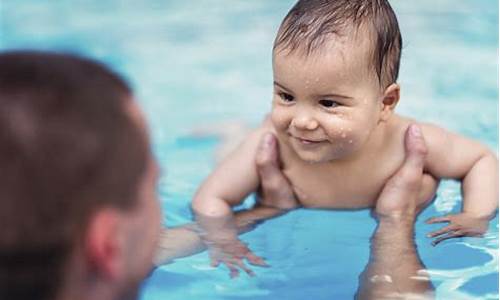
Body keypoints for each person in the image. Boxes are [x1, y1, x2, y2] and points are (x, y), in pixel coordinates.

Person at [191, 0, 498, 276]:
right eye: (286, 95)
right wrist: (222, 239)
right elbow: (210, 198)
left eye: (328, 103)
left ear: (385, 103)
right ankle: (232, 132)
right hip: (260, 160)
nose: (301, 121)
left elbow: (480, 160)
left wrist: (475, 215)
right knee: (230, 152)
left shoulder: (407, 142)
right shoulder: (274, 140)